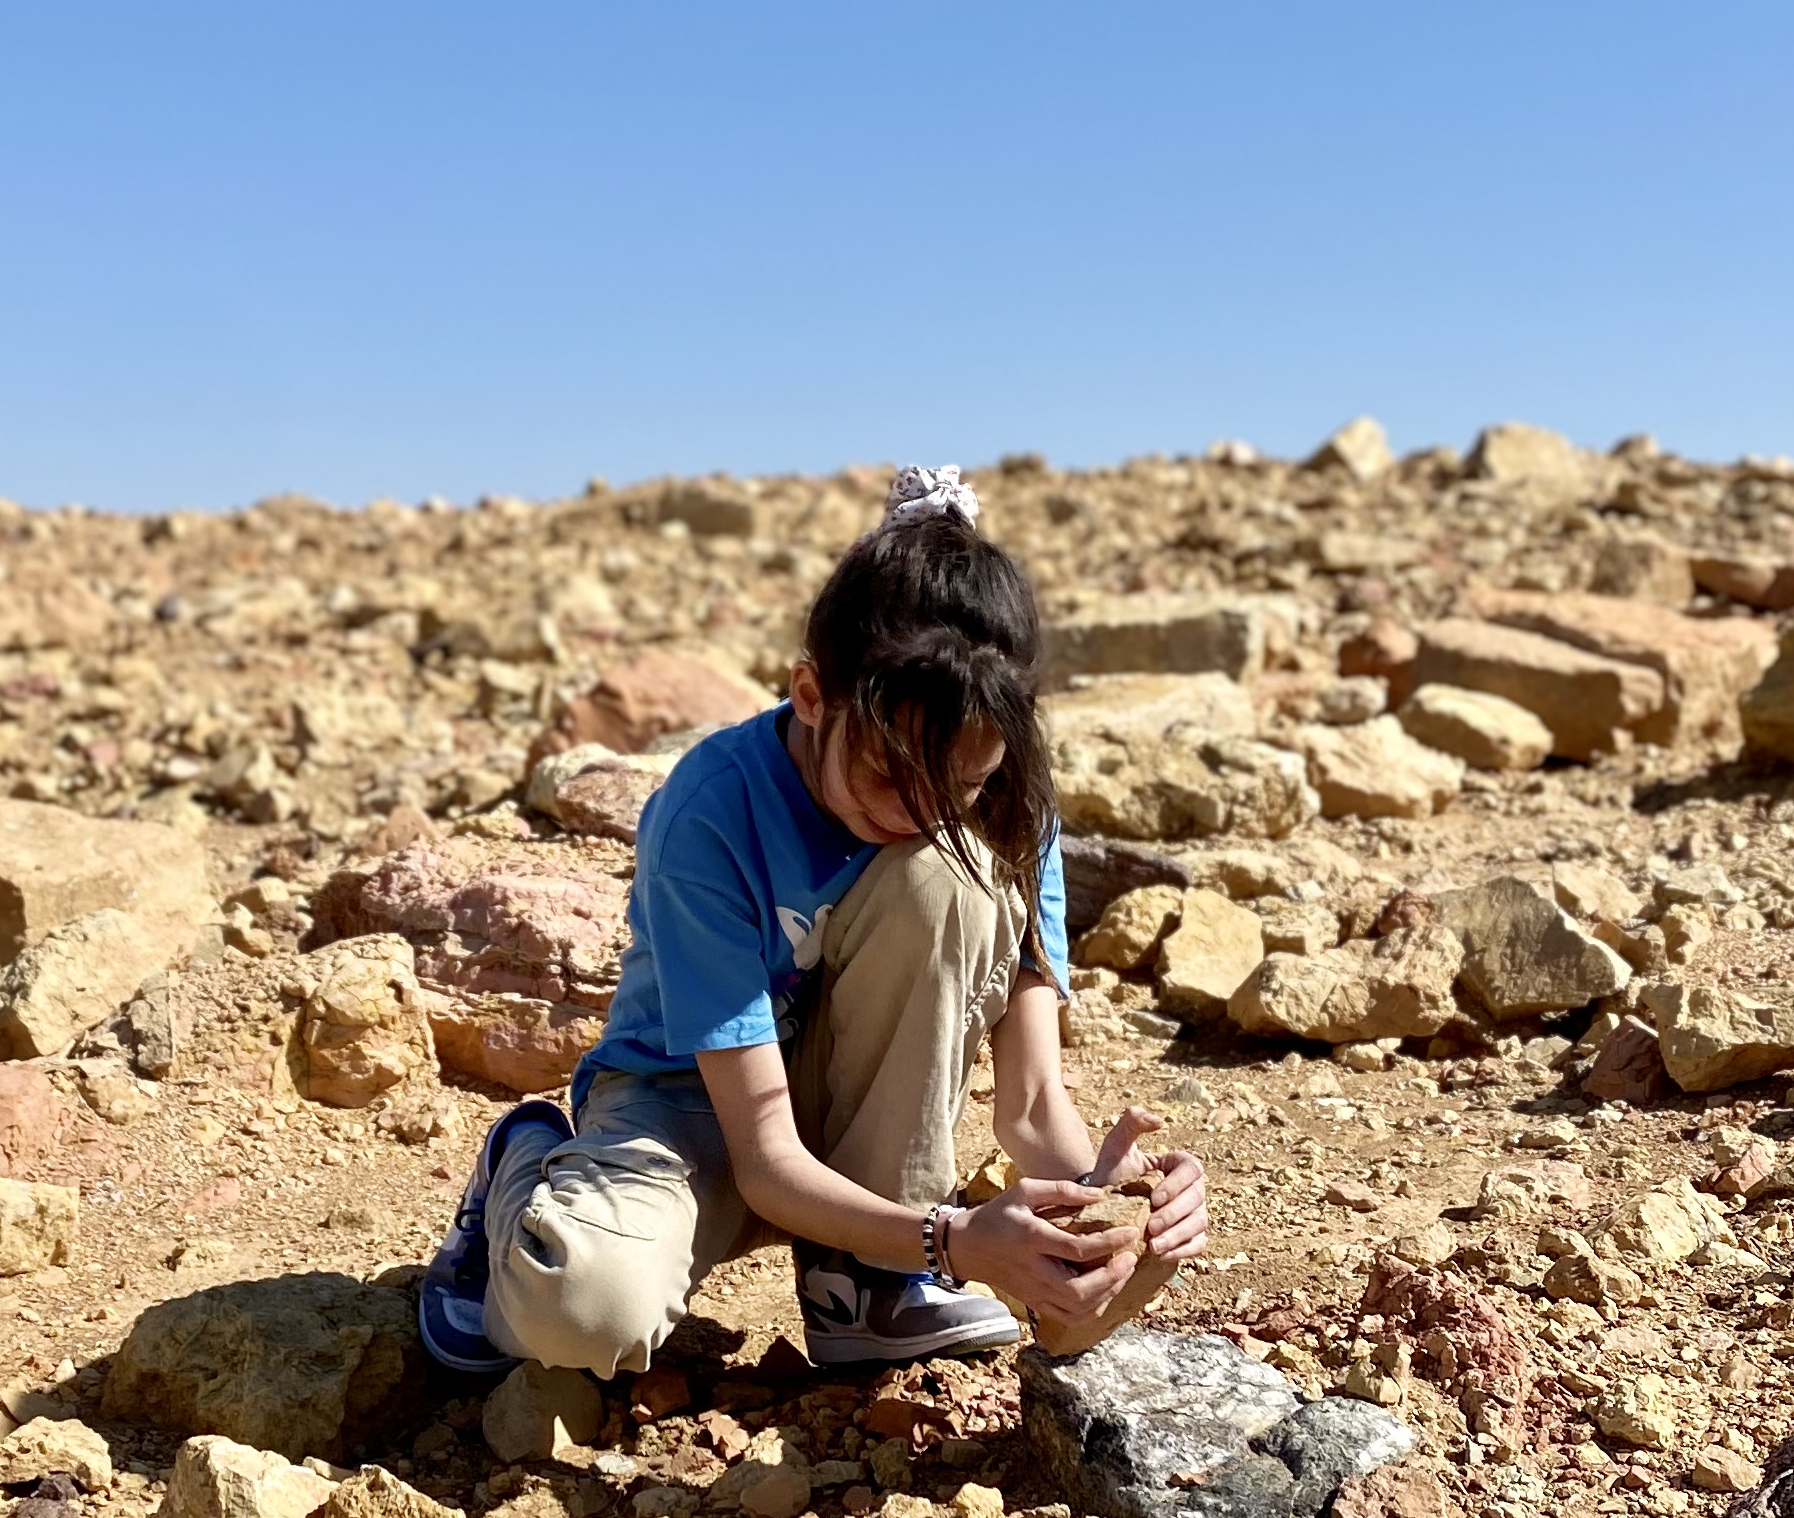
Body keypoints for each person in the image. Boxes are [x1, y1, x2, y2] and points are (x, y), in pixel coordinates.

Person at [418, 464, 1210, 1377]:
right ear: (809, 694)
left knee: (951, 879)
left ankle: (865, 1283)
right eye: (888, 777)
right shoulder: (711, 809)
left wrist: (1112, 1200)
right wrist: (952, 1242)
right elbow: (764, 1157)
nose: (925, 814)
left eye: (963, 783)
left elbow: (1031, 1106)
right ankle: (522, 1166)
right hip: (694, 1107)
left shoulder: (1010, 811)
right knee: (583, 1313)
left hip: (863, 1122)